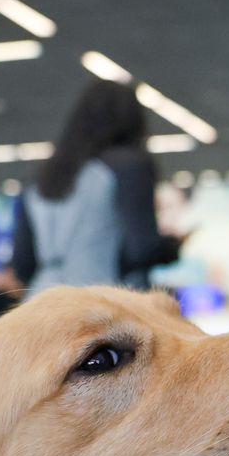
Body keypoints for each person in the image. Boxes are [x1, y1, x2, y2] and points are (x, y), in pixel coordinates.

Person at [13, 79, 181, 295]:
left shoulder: (40, 179)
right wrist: (172, 247)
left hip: (42, 303)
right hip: (103, 306)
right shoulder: (128, 165)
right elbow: (141, 250)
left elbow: (22, 264)